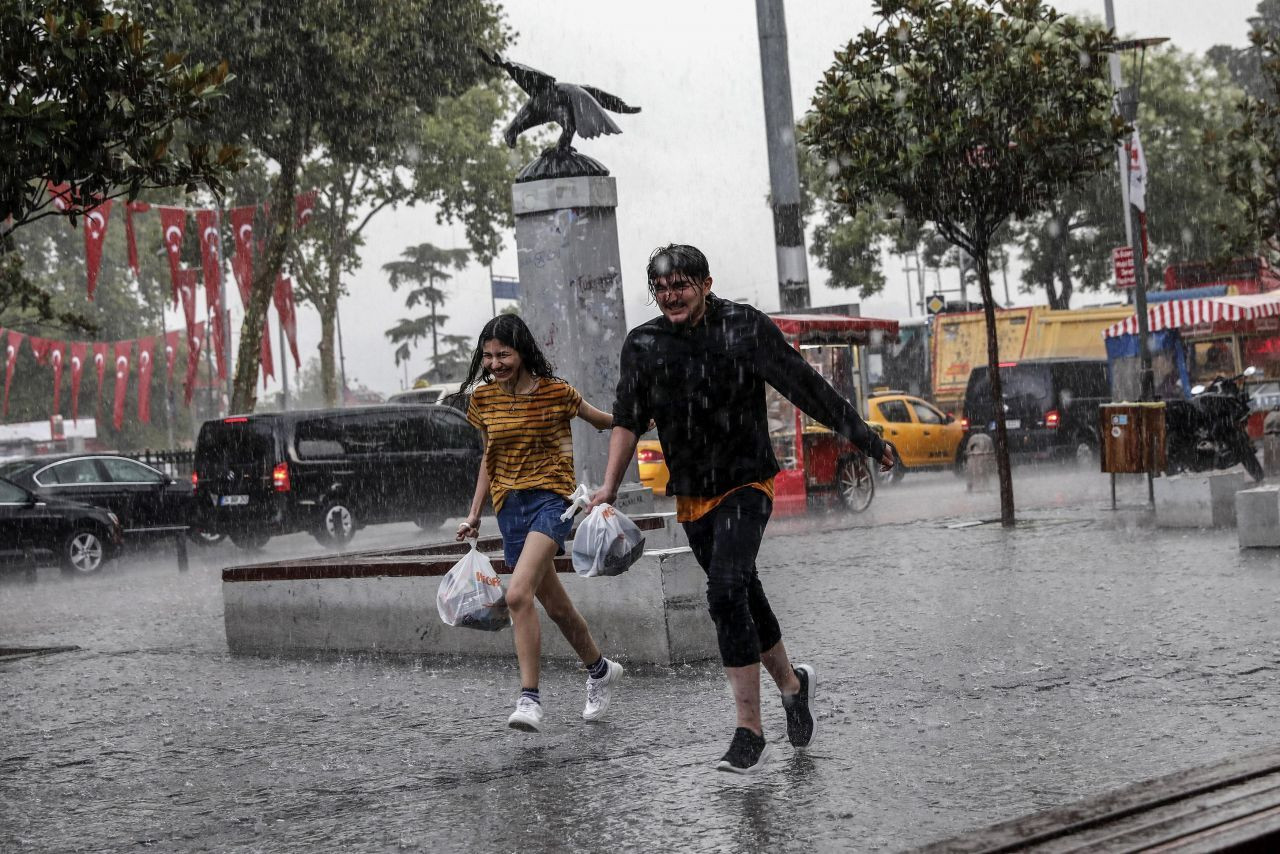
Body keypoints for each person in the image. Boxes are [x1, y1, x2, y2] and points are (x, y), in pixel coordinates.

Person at [588, 244, 895, 774]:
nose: (670, 297)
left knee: (725, 589)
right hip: (693, 493)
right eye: (660, 289)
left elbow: (806, 387)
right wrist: (609, 489)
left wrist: (866, 439)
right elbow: (627, 418)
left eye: (680, 285)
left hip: (747, 481)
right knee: (744, 593)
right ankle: (793, 686)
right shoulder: (644, 344)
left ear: (706, 283)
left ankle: (748, 729)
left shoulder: (744, 326)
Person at [455, 314, 623, 733]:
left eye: (504, 354)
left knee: (516, 595)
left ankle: (529, 698)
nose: (494, 364)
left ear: (523, 351)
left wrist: (646, 417)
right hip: (509, 508)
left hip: (552, 502)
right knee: (557, 606)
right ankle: (600, 670)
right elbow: (488, 460)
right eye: (488, 356)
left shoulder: (556, 393)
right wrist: (475, 513)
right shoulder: (483, 399)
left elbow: (604, 421)